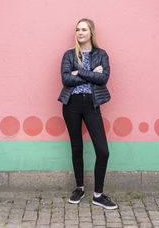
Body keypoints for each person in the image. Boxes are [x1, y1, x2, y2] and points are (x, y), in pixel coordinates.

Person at [58, 18, 118, 210]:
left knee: (103, 151)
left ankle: (98, 195)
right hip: (71, 104)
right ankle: (79, 188)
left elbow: (103, 78)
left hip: (92, 104)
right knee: (77, 148)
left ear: (91, 32)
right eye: (77, 29)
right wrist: (91, 72)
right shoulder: (69, 55)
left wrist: (80, 72)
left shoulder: (101, 54)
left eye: (84, 29)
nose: (80, 33)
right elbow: (65, 79)